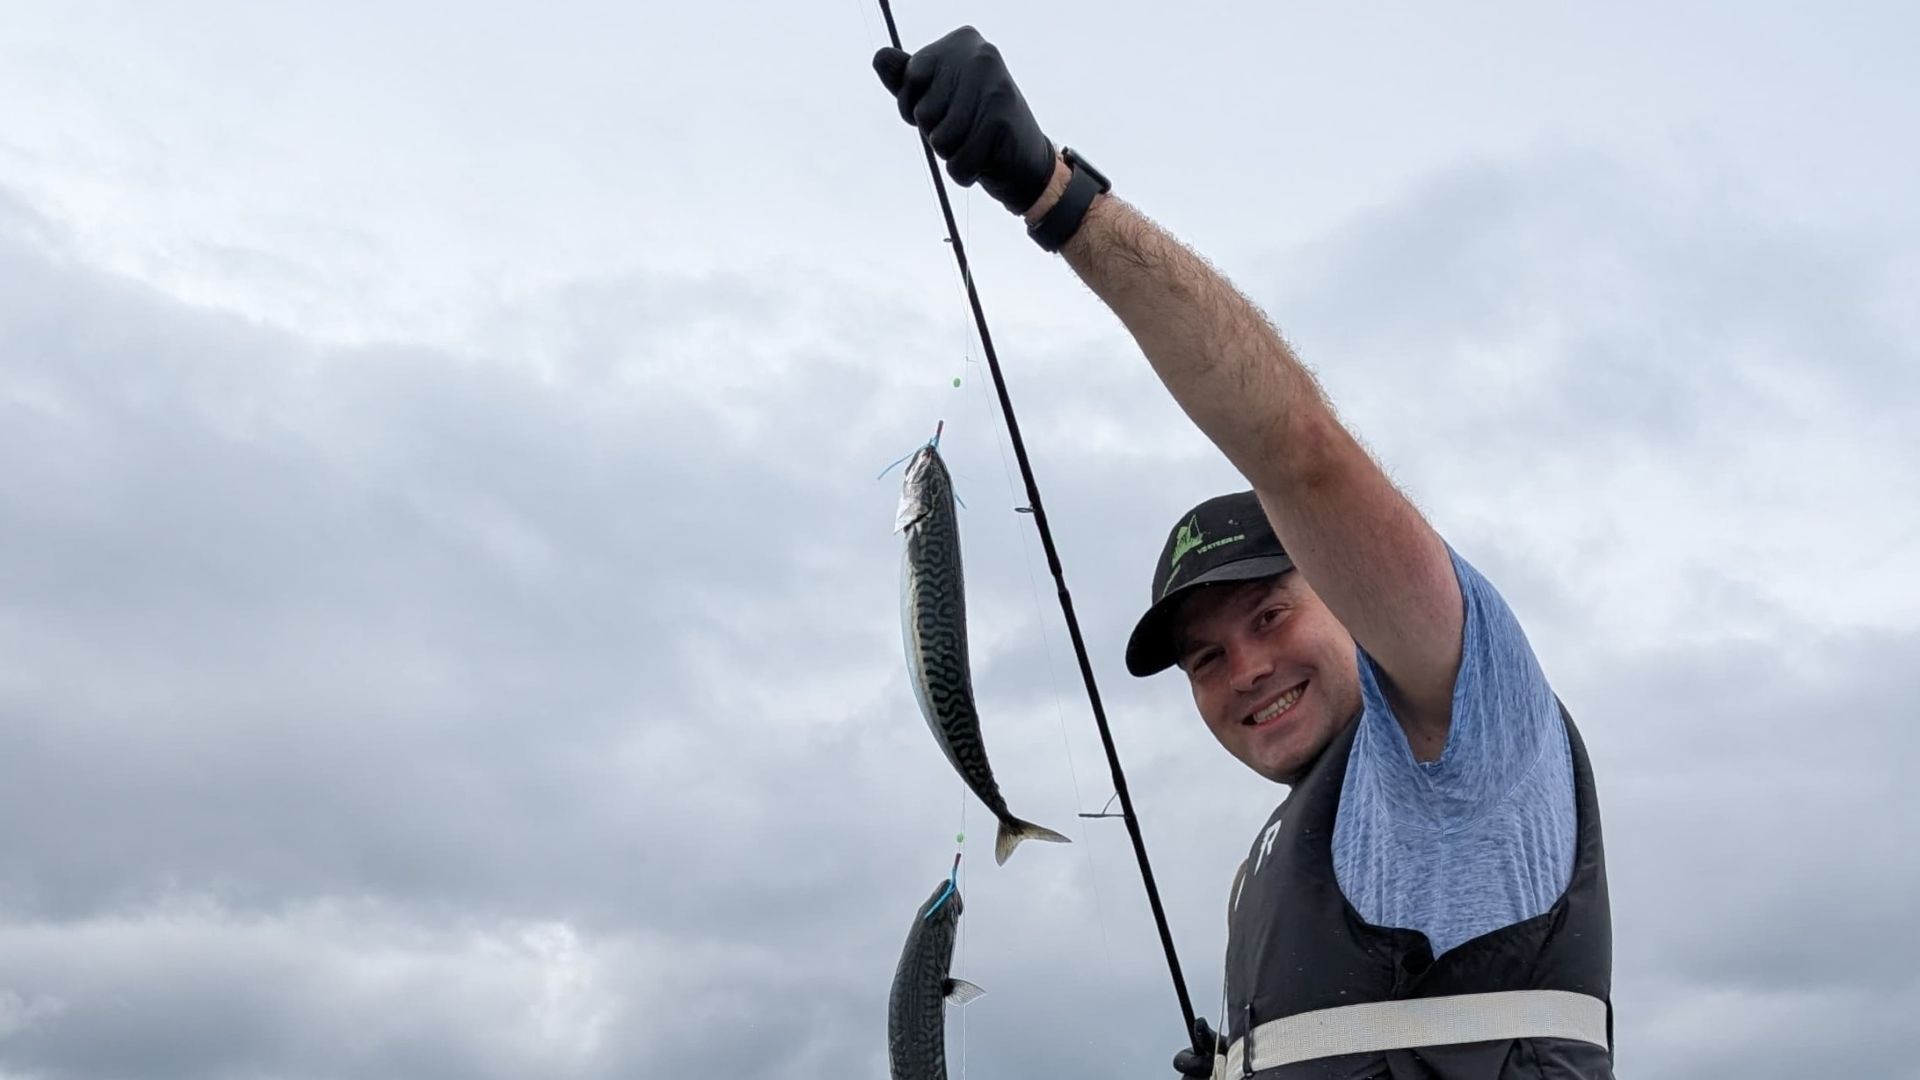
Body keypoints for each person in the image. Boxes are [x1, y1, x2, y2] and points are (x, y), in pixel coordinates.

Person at [873, 27, 1614, 1080]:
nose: (1245, 670)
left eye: (1270, 615)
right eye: (1205, 657)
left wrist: (1056, 198)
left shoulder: (1475, 735)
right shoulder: (1281, 861)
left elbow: (1298, 453)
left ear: (1346, 591)